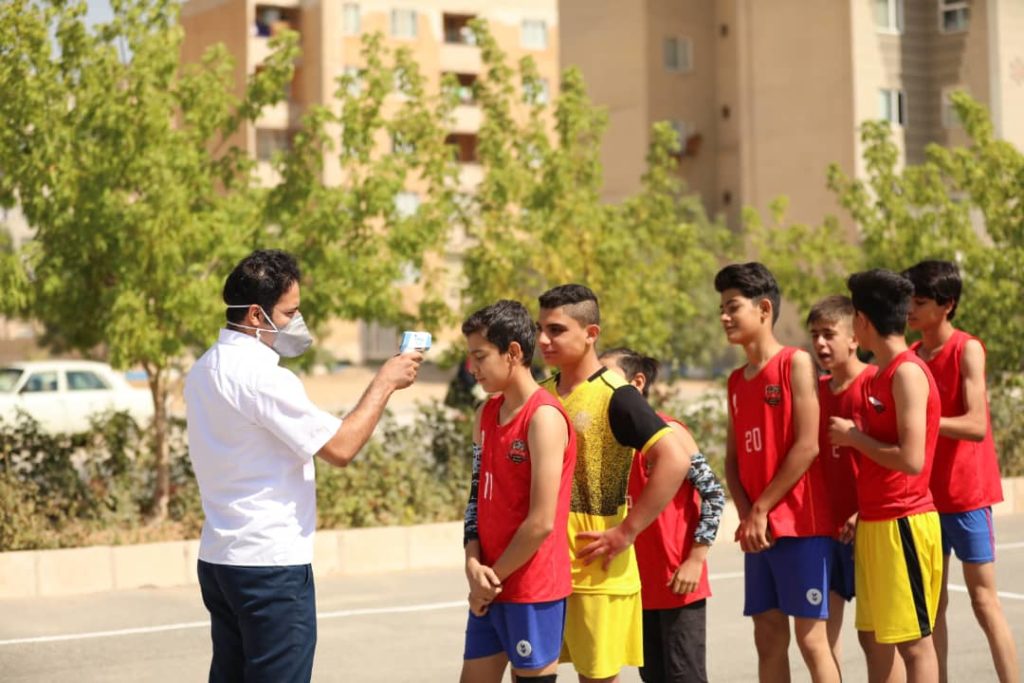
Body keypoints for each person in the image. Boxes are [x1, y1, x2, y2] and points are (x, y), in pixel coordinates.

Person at [184, 249, 423, 682]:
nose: (296, 321)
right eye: (289, 312)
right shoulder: (263, 377)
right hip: (269, 567)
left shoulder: (203, 369)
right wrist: (385, 382)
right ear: (257, 315)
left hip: (220, 559)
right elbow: (342, 447)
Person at [536, 284, 693, 683]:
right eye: (541, 328)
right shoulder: (543, 395)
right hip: (545, 568)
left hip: (596, 573)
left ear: (591, 334)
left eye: (556, 330)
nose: (543, 339)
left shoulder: (616, 395)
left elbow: (674, 459)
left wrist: (627, 530)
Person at [714, 262, 838, 683]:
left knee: (812, 641)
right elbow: (732, 460)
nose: (724, 316)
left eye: (733, 306)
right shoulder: (734, 381)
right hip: (759, 528)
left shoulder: (795, 363)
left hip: (800, 525)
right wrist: (750, 515)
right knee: (767, 637)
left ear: (764, 309)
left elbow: (808, 445)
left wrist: (762, 508)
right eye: (722, 308)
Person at [903, 260, 1018, 683]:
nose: (910, 311)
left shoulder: (967, 348)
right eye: (908, 302)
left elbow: (975, 424)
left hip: (967, 496)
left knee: (985, 602)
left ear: (947, 305)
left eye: (919, 302)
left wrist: (921, 420)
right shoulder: (911, 357)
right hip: (924, 501)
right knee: (932, 609)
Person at [829, 268, 943, 683]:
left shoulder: (907, 373)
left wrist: (854, 437)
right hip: (877, 522)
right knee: (875, 639)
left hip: (905, 523)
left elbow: (912, 460)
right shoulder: (880, 374)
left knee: (915, 645)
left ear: (861, 321)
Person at [459, 300, 577, 683]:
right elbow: (475, 498)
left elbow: (541, 522)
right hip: (489, 583)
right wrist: (472, 562)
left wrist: (489, 579)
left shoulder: (544, 417)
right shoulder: (486, 414)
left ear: (513, 352)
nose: (472, 369)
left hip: (531, 588)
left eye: (480, 357)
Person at [598, 347, 725, 683]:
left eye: (606, 376)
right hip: (637, 586)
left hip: (678, 584)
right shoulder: (607, 445)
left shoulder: (671, 434)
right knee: (652, 676)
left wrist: (695, 559)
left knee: (685, 676)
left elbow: (713, 494)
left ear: (636, 383)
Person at [807, 296, 903, 679]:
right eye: (814, 335)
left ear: (854, 337)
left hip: (870, 527)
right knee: (821, 637)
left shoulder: (876, 383)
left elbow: (901, 460)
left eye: (829, 334)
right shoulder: (815, 391)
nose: (820, 344)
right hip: (822, 530)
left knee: (877, 638)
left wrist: (862, 511)